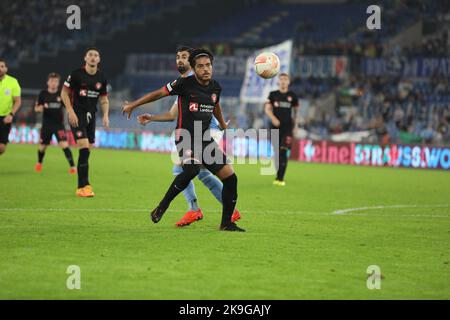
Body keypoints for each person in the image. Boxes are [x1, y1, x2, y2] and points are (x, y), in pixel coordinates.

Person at [122, 48, 245, 232]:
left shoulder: (215, 87)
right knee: (192, 169)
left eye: (208, 65)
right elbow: (158, 93)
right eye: (201, 66)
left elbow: (215, 104)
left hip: (204, 139)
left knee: (231, 178)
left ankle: (226, 223)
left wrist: (222, 123)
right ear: (194, 69)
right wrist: (134, 104)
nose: (206, 69)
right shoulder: (184, 84)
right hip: (185, 137)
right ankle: (163, 206)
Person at [60, 47, 110, 197]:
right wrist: (70, 111)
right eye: (90, 55)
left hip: (91, 116)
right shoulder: (76, 74)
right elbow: (64, 93)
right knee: (83, 145)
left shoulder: (101, 77)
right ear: (85, 58)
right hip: (77, 114)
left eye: (96, 55)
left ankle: (83, 186)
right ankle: (83, 186)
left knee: (87, 149)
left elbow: (104, 99)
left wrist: (105, 115)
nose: (93, 57)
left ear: (99, 59)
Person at [34, 72, 76, 173]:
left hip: (58, 125)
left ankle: (73, 167)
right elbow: (36, 108)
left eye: (56, 81)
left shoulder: (61, 94)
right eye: (52, 81)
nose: (54, 83)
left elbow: (68, 106)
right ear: (48, 82)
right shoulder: (43, 94)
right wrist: (41, 107)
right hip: (46, 125)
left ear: (58, 83)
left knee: (64, 145)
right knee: (43, 147)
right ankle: (39, 163)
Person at [264, 73, 299, 186]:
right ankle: (278, 175)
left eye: (285, 79)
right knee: (277, 153)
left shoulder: (292, 96)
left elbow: (296, 112)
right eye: (282, 79)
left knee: (283, 151)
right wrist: (273, 118)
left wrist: (296, 126)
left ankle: (281, 178)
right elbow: (267, 109)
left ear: (288, 82)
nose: (283, 81)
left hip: (288, 128)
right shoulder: (273, 95)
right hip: (275, 128)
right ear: (278, 81)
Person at [0, 58, 22, 155]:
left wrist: (11, 114)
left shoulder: (13, 82)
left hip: (5, 118)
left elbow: (17, 101)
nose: (0, 68)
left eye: (2, 66)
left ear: (6, 69)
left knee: (2, 148)